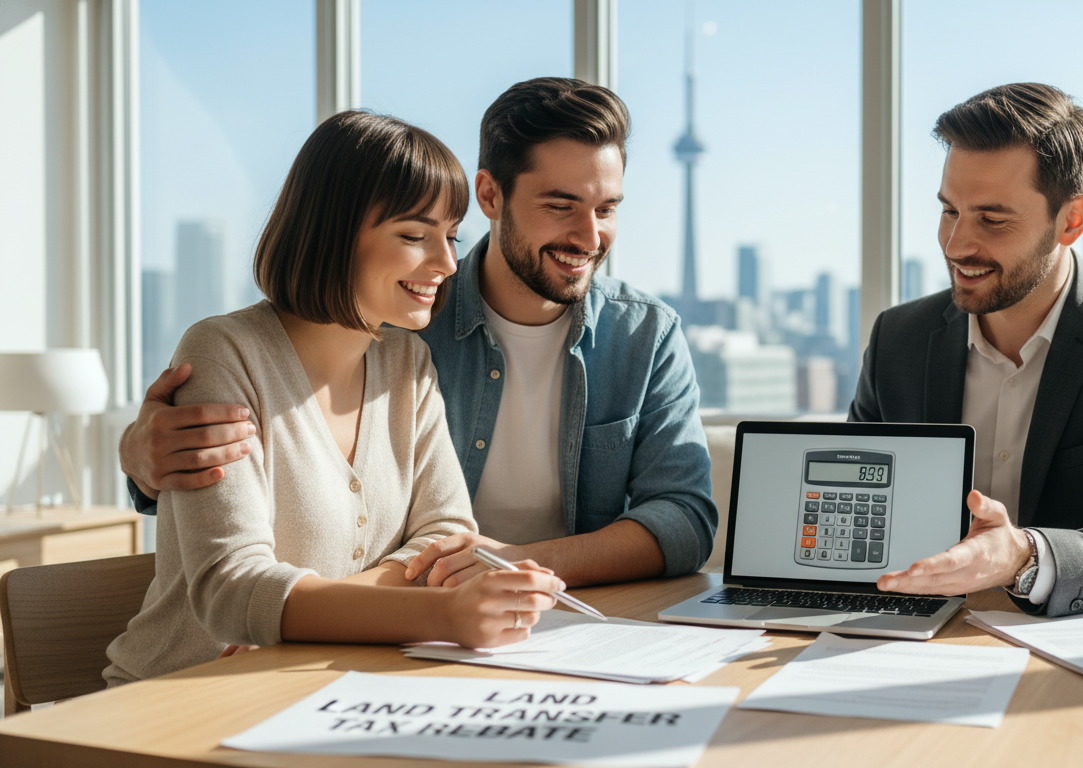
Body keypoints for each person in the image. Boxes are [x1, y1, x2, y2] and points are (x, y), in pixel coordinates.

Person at [117, 78, 716, 589]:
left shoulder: (644, 336)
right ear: (490, 195)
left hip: (517, 612)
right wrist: (142, 465)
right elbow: (280, 383)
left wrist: (513, 565)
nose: (590, 237)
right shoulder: (401, 312)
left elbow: (686, 517)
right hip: (411, 620)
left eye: (606, 208)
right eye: (561, 205)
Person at [105, 111, 562, 687]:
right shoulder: (223, 352)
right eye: (415, 236)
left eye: (451, 237)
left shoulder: (407, 363)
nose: (447, 264)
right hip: (178, 698)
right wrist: (441, 615)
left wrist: (292, 618)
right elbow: (230, 591)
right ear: (335, 231)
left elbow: (447, 541)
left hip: (320, 685)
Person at [849, 83, 1083, 617]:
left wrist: (1024, 555)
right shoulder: (898, 339)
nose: (956, 245)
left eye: (993, 219)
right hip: (908, 630)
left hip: (1069, 653)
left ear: (1071, 220)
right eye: (950, 211)